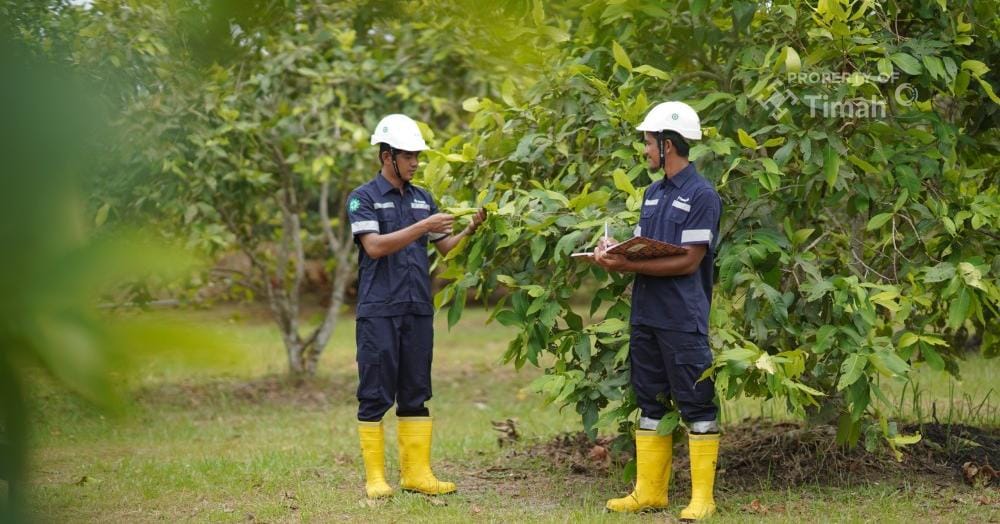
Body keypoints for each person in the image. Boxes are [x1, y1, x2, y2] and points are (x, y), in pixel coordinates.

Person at [593, 101, 722, 520]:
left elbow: (688, 260)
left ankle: (703, 498)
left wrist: (627, 263)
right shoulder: (651, 195)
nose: (645, 151)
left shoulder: (703, 195)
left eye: (649, 143)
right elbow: (643, 251)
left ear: (668, 145)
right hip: (646, 315)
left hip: (682, 319)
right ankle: (650, 492)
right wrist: (613, 254)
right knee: (650, 402)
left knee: (697, 403)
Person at [346, 114, 485, 498]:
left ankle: (417, 474)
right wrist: (422, 228)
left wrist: (470, 230)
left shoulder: (424, 198)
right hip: (379, 309)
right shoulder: (364, 198)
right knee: (375, 391)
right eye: (408, 156)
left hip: (417, 308)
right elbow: (374, 247)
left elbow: (446, 248)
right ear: (386, 155)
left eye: (417, 157)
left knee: (415, 390)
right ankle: (376, 478)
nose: (415, 163)